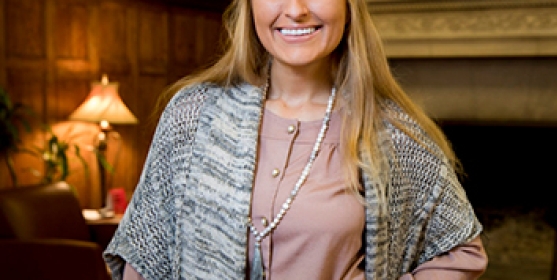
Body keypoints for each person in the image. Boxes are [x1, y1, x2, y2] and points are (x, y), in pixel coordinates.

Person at [103, 0, 487, 279]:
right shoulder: (192, 114)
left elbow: (461, 251)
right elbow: (145, 256)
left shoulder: (389, 131)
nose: (296, 9)